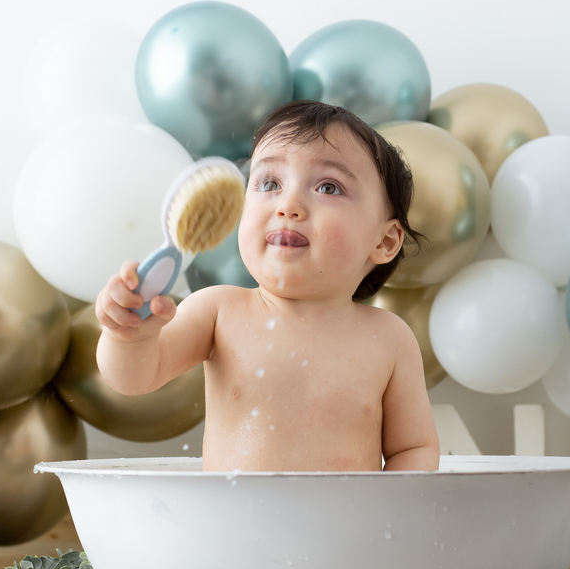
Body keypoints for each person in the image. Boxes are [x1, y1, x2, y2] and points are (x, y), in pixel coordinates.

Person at [95, 100, 440, 472]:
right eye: (269, 183)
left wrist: (394, 516)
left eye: (327, 187)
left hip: (345, 528)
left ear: (384, 242)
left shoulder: (389, 339)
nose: (288, 204)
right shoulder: (219, 311)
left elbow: (414, 448)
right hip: (235, 526)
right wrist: (128, 338)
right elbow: (134, 379)